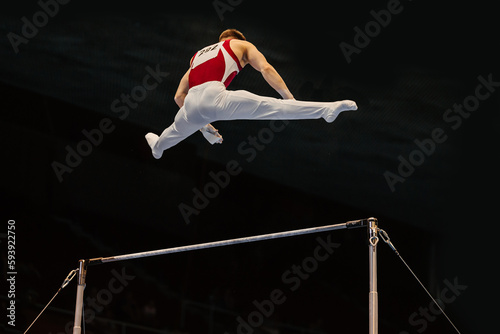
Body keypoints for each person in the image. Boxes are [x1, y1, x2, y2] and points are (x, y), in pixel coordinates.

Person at [145, 29, 357, 159]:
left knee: (172, 133)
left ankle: (157, 149)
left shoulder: (196, 57)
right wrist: (290, 101)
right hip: (214, 96)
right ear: (236, 39)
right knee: (272, 107)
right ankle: (327, 109)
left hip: (190, 105)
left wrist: (204, 128)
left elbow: (178, 96)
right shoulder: (240, 44)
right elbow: (266, 69)